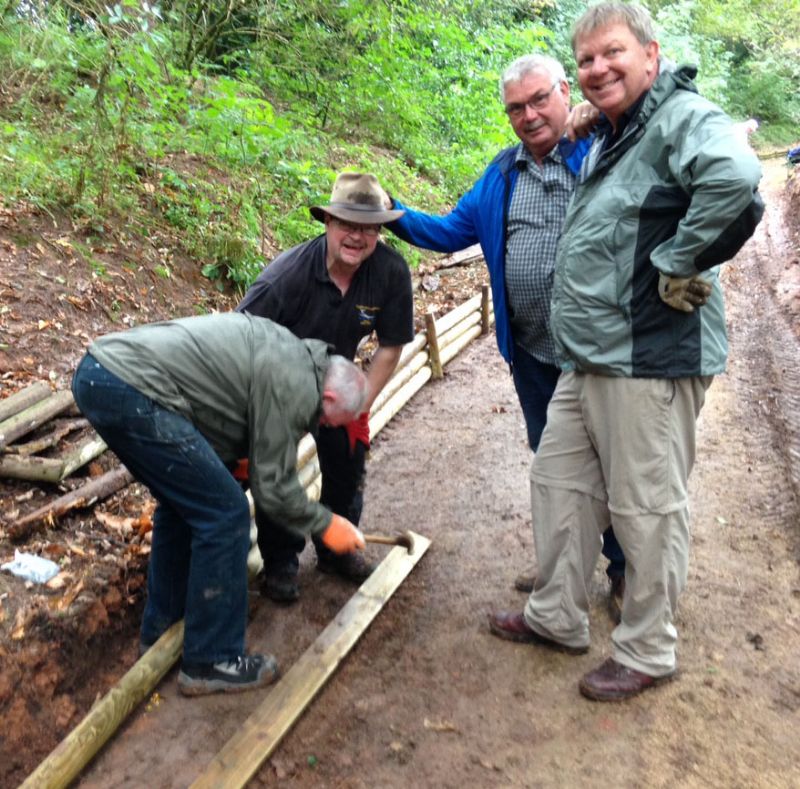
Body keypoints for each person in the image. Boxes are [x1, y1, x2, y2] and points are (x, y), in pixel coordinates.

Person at [488, 2, 764, 701]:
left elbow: (735, 178)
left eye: (611, 53)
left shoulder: (679, 118)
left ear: (651, 52)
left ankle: (648, 648)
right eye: (584, 61)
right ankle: (557, 613)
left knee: (645, 507)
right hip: (594, 357)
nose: (596, 68)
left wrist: (680, 259)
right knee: (559, 483)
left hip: (650, 357)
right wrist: (590, 114)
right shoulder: (620, 129)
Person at [387, 53, 626, 619]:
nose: (529, 115)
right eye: (516, 107)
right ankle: (563, 567)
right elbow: (447, 233)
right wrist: (389, 213)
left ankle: (624, 570)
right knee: (553, 469)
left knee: (615, 467)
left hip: (603, 355)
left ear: (566, 92)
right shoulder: (501, 175)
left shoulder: (604, 152)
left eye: (540, 99)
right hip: (535, 355)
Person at [72, 313, 368, 696]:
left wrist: (235, 456)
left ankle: (163, 633)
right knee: (225, 514)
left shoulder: (295, 357)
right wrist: (327, 524)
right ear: (328, 397)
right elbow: (274, 487)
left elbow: (225, 404)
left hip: (105, 373)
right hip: (129, 386)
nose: (326, 427)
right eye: (332, 421)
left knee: (185, 507)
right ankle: (211, 658)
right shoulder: (297, 386)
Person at [236, 172, 414, 602]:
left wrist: (362, 402)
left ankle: (336, 549)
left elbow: (390, 347)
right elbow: (237, 345)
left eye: (369, 227)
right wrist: (252, 427)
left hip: (338, 384)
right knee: (276, 469)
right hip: (276, 388)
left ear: (380, 231)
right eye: (348, 225)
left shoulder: (390, 273)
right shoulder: (284, 280)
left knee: (348, 459)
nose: (357, 236)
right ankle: (281, 560)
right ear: (328, 224)